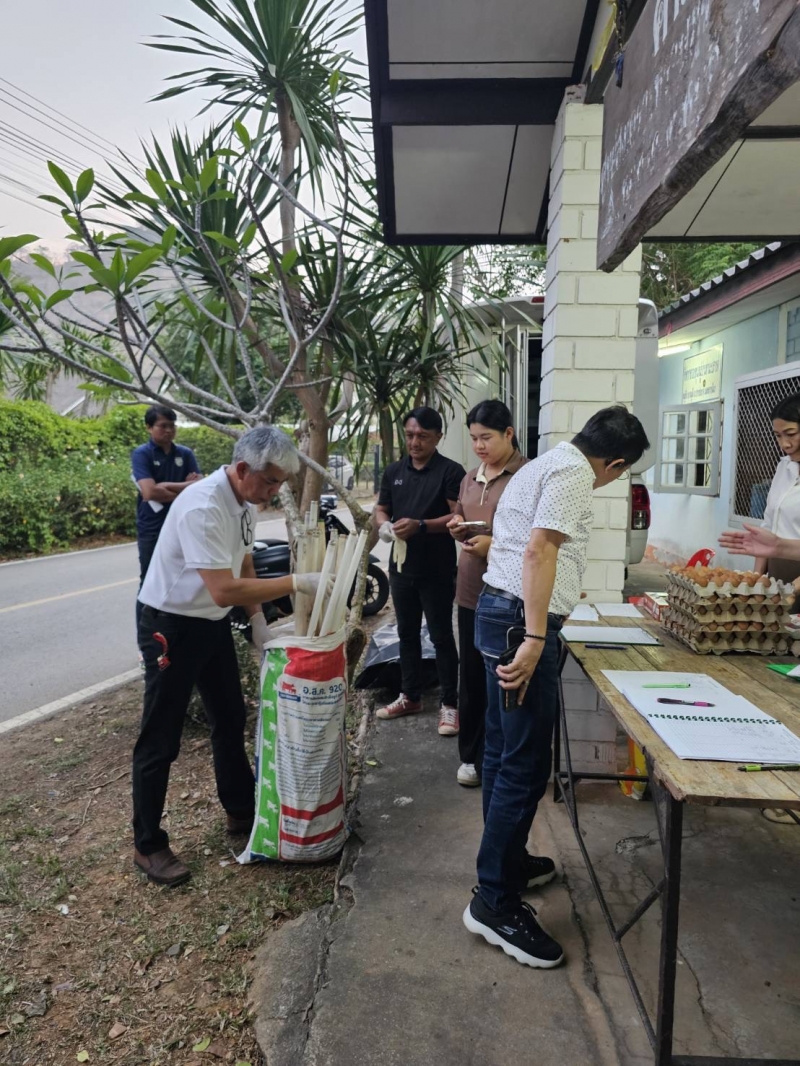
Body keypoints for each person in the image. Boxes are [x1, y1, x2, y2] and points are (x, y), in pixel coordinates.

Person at [462, 406, 650, 969]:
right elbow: (539, 549)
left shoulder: (546, 463)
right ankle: (494, 900)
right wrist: (536, 636)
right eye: (621, 473)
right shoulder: (572, 475)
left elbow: (522, 544)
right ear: (616, 464)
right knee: (524, 766)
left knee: (502, 752)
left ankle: (508, 863)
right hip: (518, 624)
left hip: (499, 614)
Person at [133, 426, 328, 887]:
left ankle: (240, 810)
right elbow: (223, 589)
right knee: (161, 735)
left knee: (230, 715)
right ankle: (148, 844)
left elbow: (244, 560)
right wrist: (297, 583)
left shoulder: (242, 499)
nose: (274, 491)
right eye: (271, 481)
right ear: (243, 469)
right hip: (171, 624)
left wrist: (258, 620)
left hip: (211, 622)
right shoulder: (202, 505)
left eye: (280, 483)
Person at [447, 400, 527, 788]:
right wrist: (458, 524)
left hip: (507, 594)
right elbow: (463, 514)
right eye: (474, 438)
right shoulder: (470, 477)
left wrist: (491, 545)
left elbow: (534, 541)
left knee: (501, 679)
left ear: (509, 434)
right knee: (471, 677)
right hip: (470, 590)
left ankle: (500, 760)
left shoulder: (526, 476)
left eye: (487, 438)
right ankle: (471, 756)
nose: (479, 446)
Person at [373, 407, 466, 735]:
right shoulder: (394, 471)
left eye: (423, 436)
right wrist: (384, 527)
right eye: (410, 435)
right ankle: (410, 696)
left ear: (437, 437)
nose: (414, 442)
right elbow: (382, 509)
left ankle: (450, 704)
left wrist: (422, 526)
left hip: (437, 569)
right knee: (407, 634)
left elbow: (457, 516)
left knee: (441, 636)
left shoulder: (451, 471)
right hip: (401, 568)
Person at [131, 405, 202, 638]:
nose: (169, 430)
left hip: (183, 526)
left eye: (172, 425)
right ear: (149, 427)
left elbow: (199, 488)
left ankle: (175, 636)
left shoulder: (185, 454)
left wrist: (168, 487)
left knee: (183, 578)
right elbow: (149, 492)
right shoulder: (142, 454)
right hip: (152, 527)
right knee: (149, 582)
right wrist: (186, 488)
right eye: (163, 426)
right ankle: (146, 642)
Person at [753, 394, 800, 604]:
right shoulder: (784, 467)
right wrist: (756, 579)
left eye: (791, 434)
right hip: (778, 575)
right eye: (778, 436)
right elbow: (769, 525)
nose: (785, 444)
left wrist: (792, 590)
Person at [720, 523, 800, 563]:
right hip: (773, 561)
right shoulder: (773, 494)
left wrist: (777, 546)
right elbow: (767, 527)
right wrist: (757, 575)